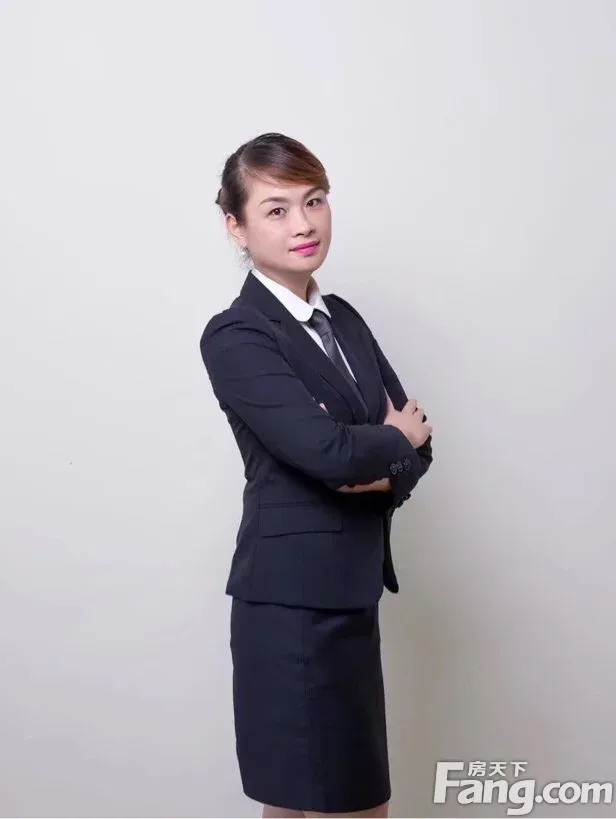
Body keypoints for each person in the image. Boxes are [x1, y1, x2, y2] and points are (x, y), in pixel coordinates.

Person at [199, 133, 433, 819]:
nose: (303, 223)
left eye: (315, 200)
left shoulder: (345, 321)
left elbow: (419, 442)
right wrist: (384, 443)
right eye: (276, 209)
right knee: (333, 805)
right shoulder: (237, 335)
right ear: (236, 226)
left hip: (350, 597)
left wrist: (380, 457)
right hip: (292, 609)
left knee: (308, 804)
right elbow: (331, 452)